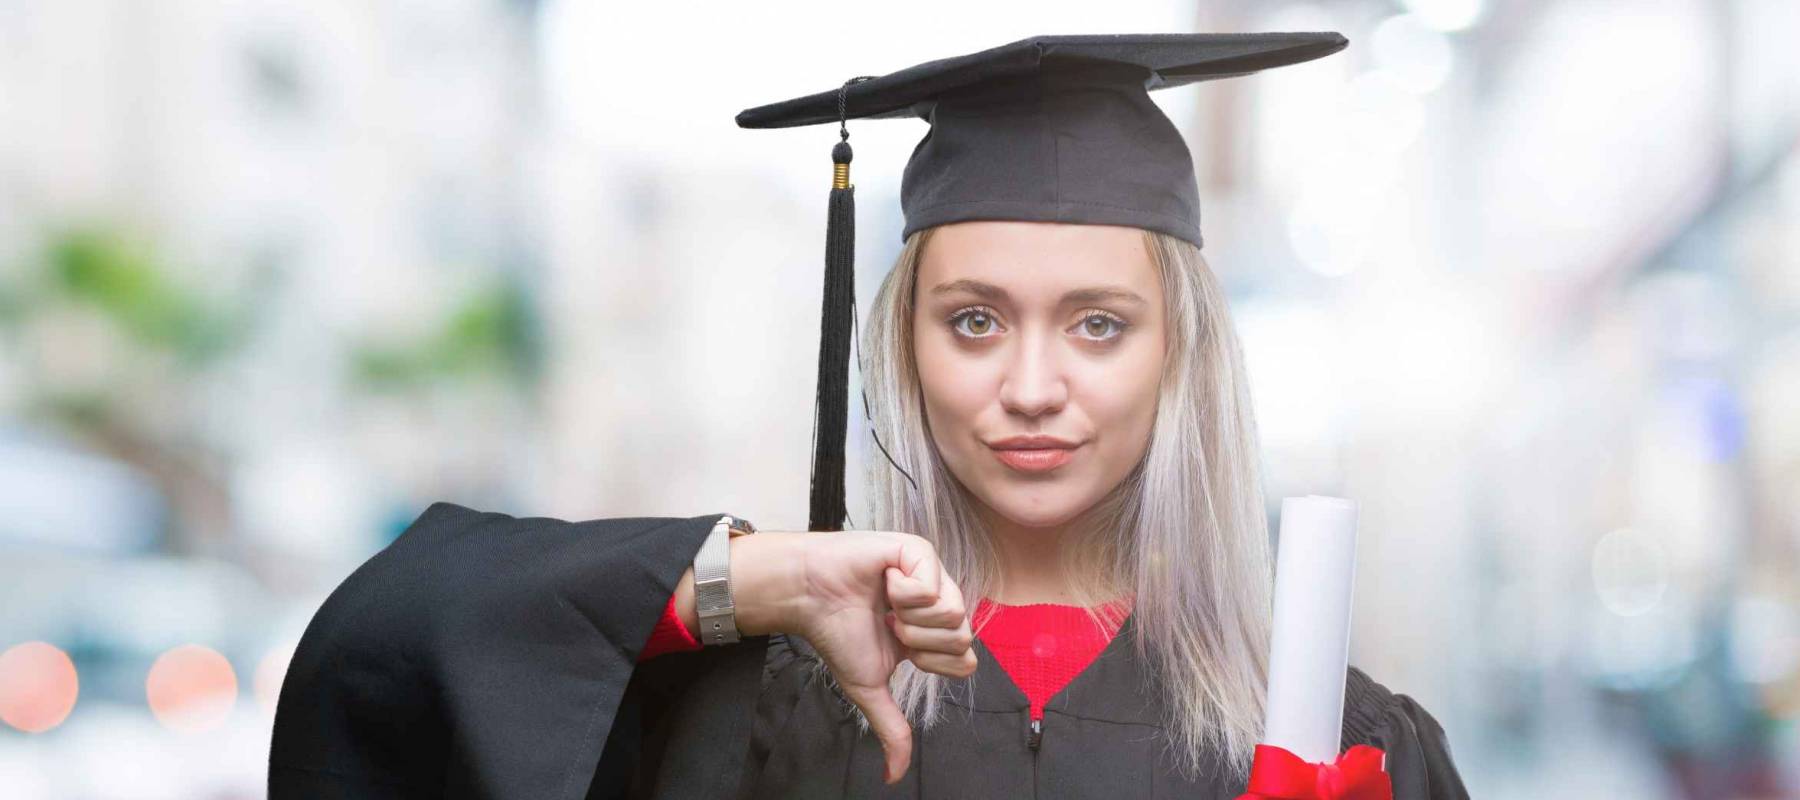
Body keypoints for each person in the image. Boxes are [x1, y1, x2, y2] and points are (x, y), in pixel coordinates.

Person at [269, 32, 1472, 799]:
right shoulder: (759, 705)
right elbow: (377, 656)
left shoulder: (1337, 742)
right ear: (901, 340)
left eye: (1100, 322)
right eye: (975, 319)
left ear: (1182, 355)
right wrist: (764, 581)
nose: (1034, 384)